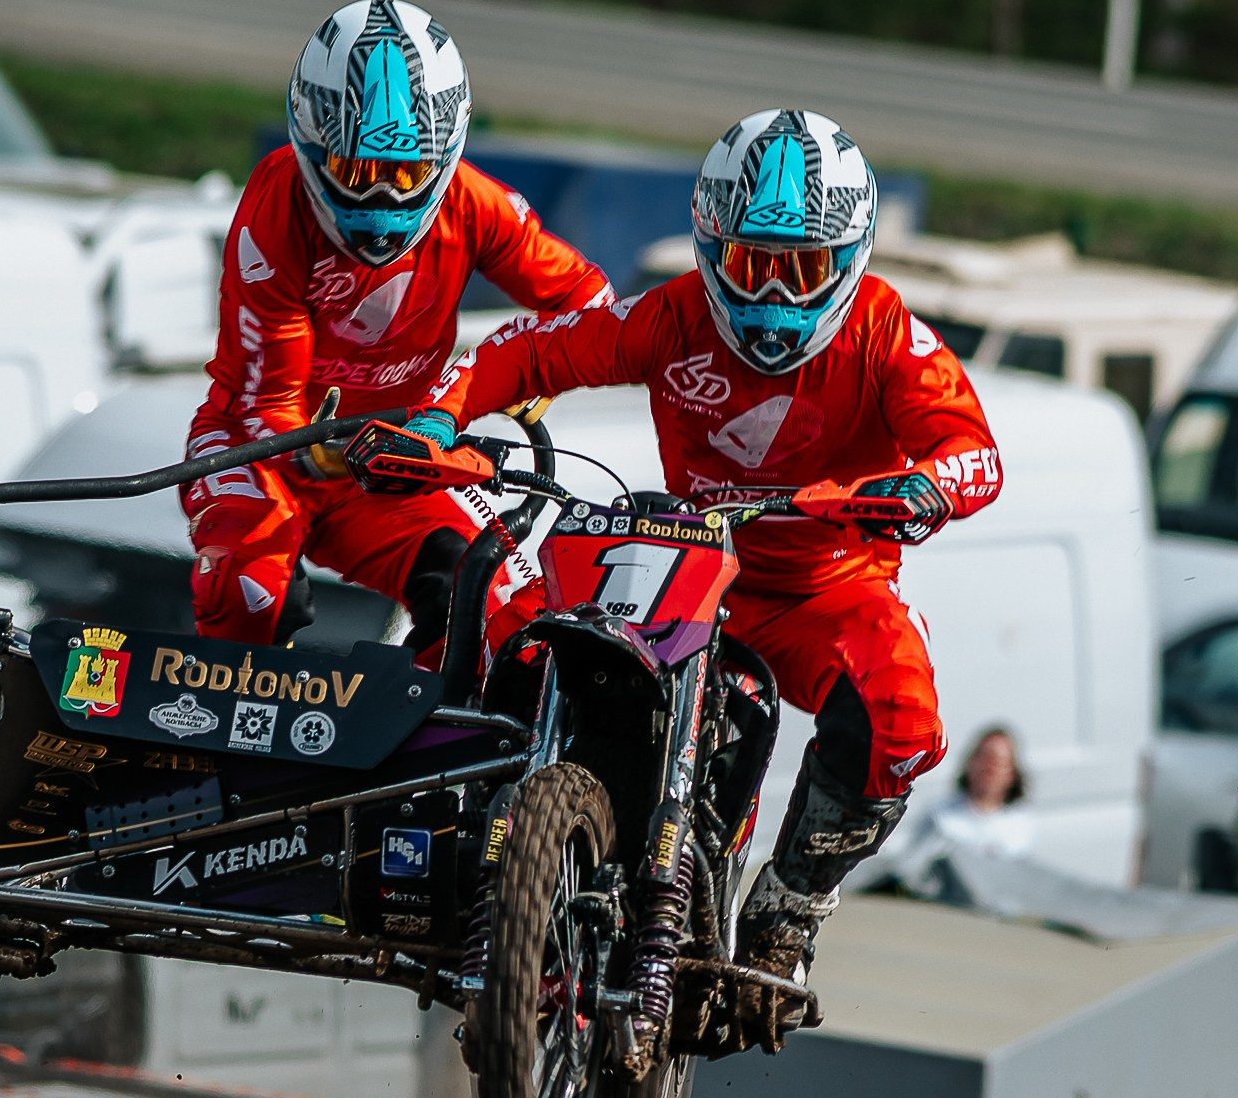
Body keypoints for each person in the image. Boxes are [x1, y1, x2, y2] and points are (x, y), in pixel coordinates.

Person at [380, 108, 1002, 1048]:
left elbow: (977, 452)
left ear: (852, 259)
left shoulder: (888, 335)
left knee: (901, 719)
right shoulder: (671, 315)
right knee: (523, 632)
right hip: (691, 564)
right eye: (752, 265)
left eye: (801, 270)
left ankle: (788, 911)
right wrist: (440, 416)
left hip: (828, 586)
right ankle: (492, 848)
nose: (773, 295)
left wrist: (923, 489)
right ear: (713, 250)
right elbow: (531, 347)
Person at [183, 0, 613, 657]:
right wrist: (313, 448)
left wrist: (502, 384)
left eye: (406, 173)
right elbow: (266, 402)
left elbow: (590, 305)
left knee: (495, 603)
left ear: (445, 154)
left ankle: (428, 748)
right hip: (258, 449)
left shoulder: (476, 204)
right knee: (251, 592)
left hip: (393, 462)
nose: (380, 203)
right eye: (357, 173)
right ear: (311, 144)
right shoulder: (275, 202)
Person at [927, 725, 1034, 859]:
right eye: (985, 758)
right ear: (970, 763)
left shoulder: (1019, 826)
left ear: (1012, 774)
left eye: (998, 762)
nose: (989, 768)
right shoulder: (940, 816)